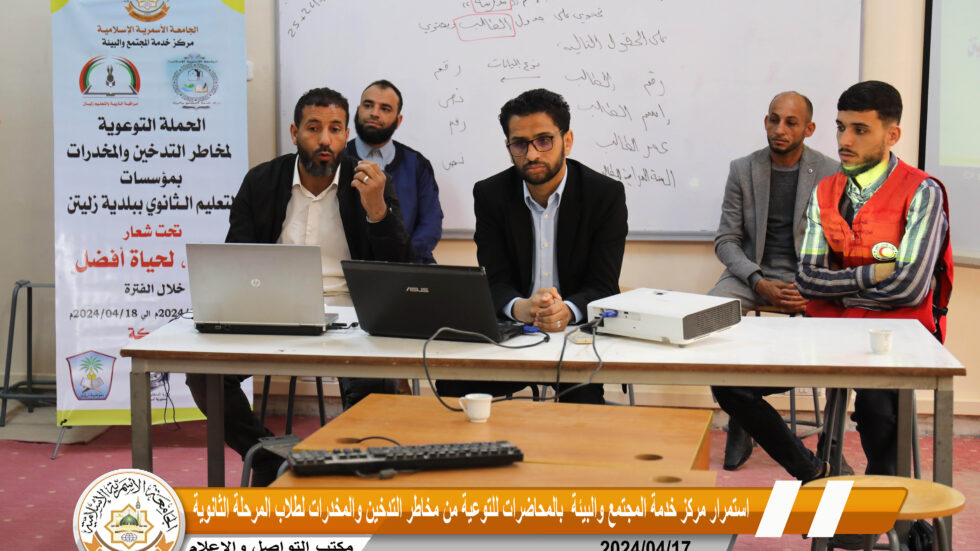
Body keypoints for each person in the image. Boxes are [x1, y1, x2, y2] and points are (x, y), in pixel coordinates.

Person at [185, 87, 413, 486]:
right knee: (204, 375)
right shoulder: (261, 181)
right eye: (313, 128)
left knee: (375, 387)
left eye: (335, 129)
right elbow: (235, 257)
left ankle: (339, 466)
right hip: (272, 311)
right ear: (294, 133)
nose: (325, 140)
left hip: (351, 316)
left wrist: (378, 210)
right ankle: (267, 455)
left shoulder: (371, 182)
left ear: (347, 136)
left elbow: (399, 267)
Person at [796, 80, 953, 477]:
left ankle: (884, 500)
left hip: (896, 335)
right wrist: (871, 275)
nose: (844, 140)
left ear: (892, 135)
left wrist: (841, 292)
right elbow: (807, 280)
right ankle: (814, 470)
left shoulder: (923, 192)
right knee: (735, 385)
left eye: (860, 130)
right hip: (833, 330)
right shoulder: (825, 190)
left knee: (877, 410)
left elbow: (910, 288)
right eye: (840, 127)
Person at [435, 88, 628, 404]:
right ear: (509, 147)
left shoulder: (604, 195)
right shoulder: (491, 194)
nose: (532, 154)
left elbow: (603, 285)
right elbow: (494, 280)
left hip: (575, 335)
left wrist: (566, 311)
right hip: (512, 333)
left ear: (567, 140)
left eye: (544, 140)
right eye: (520, 144)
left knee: (583, 403)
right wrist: (520, 307)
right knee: (453, 383)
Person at [708, 92, 839, 471]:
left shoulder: (830, 173)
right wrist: (758, 280)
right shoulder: (743, 169)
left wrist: (813, 287)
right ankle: (743, 407)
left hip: (807, 277)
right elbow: (726, 240)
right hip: (751, 274)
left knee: (839, 341)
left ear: (809, 129)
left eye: (791, 122)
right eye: (773, 119)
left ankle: (748, 409)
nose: (779, 129)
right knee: (705, 322)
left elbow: (838, 245)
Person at [345, 79, 443, 263]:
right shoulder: (338, 159)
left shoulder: (417, 164)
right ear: (358, 110)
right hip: (350, 264)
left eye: (385, 108)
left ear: (398, 120)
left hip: (408, 265)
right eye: (368, 105)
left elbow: (431, 223)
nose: (374, 113)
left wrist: (403, 258)